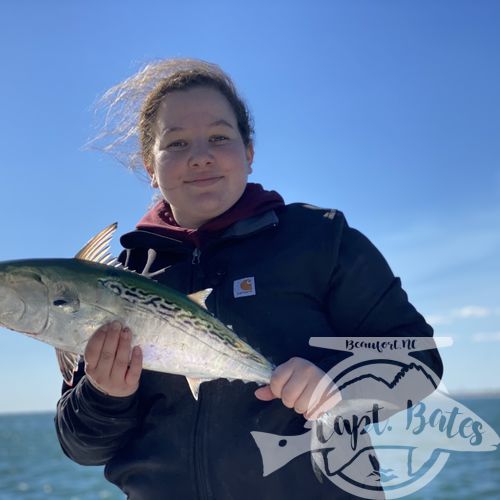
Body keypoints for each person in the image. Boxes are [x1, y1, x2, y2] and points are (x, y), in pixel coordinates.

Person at [55, 59, 443, 499]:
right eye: (176, 143)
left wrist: (340, 383)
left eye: (219, 137)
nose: (200, 155)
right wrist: (105, 394)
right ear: (150, 165)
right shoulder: (117, 279)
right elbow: (81, 446)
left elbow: (417, 362)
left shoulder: (320, 239)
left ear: (249, 153)